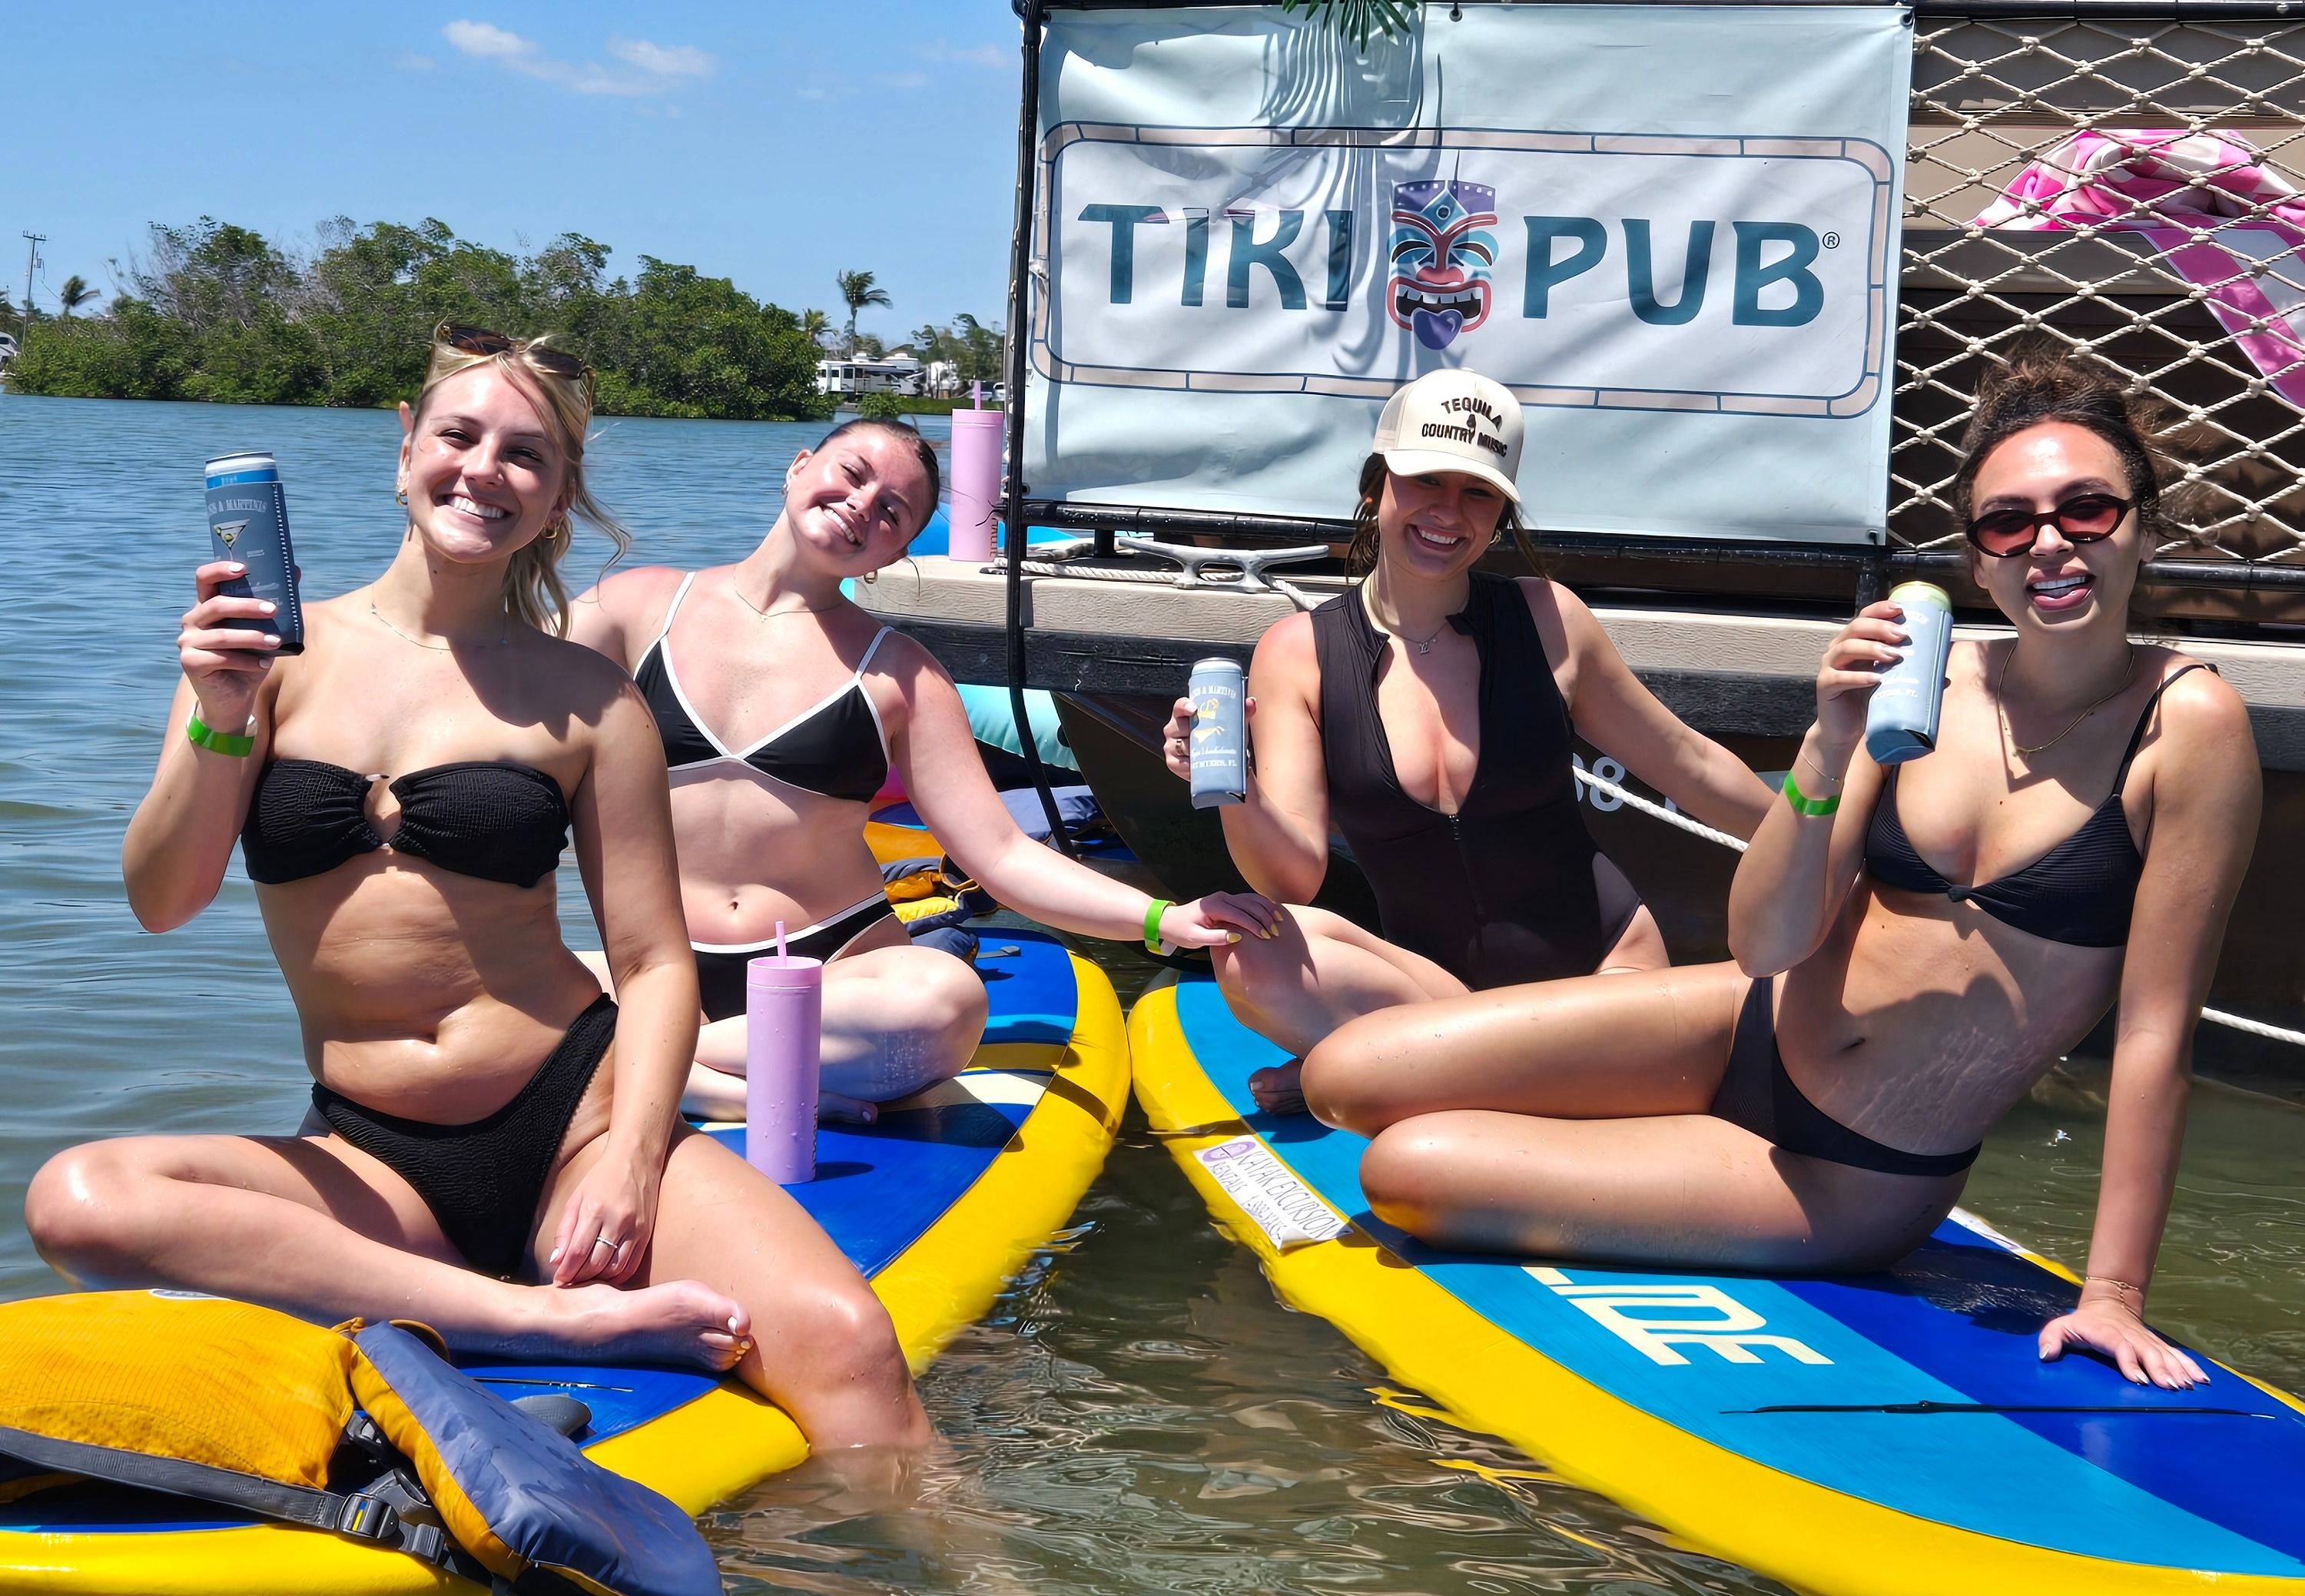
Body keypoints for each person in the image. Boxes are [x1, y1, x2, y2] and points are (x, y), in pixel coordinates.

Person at [29, 327, 933, 1461]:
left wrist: (631, 1158)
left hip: (570, 1117)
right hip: (371, 1159)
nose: (484, 471)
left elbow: (654, 968)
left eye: (527, 455)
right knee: (81, 1200)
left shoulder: (589, 699)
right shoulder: (264, 662)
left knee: (846, 1342)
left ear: (557, 497)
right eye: (458, 436)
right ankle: (536, 1316)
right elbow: (164, 900)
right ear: (405, 448)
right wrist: (217, 709)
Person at [1302, 341, 2261, 1390]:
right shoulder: (1928, 684)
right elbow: (1766, 939)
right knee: (1344, 1078)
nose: (2051, 546)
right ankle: (1640, 1135)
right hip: (1739, 1020)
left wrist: (2112, 1297)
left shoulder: (2188, 726)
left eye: (2087, 510)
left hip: (1847, 1170)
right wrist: (1828, 742)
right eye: (2010, 522)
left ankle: (1646, 1155)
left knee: (1403, 1170)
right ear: (1977, 556)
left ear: (2144, 526)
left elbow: (2157, 1031)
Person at [572, 416, 1275, 1113]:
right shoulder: (633, 610)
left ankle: (646, 1061)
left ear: (892, 554)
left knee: (945, 1000)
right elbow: (491, 731)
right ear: (797, 466)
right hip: (652, 961)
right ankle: (730, 1083)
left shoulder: (903, 677)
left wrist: (1162, 919)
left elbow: (1000, 852)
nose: (861, 504)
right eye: (852, 474)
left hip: (833, 972)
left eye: (891, 512)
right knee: (481, 973)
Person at [1159, 371, 1777, 1102]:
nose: (1448, 511)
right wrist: (1234, 787)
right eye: (1425, 479)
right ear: (1375, 486)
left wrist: (1835, 852)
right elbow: (1290, 881)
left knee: (1367, 1066)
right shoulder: (1298, 651)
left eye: (1478, 490)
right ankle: (1453, 1075)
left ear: (1501, 513)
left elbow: (1688, 762)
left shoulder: (1550, 619)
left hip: (1603, 984)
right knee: (1249, 954)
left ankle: (1386, 1072)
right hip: (1438, 994)